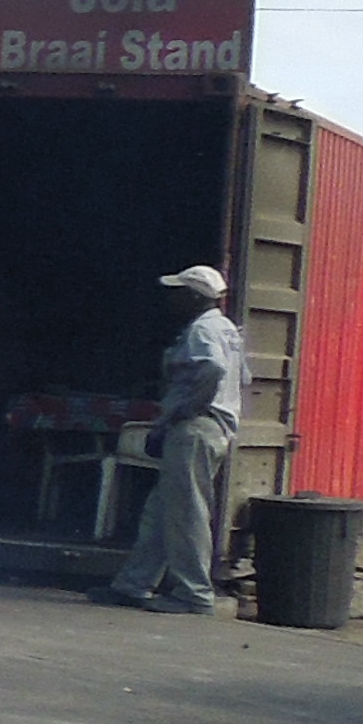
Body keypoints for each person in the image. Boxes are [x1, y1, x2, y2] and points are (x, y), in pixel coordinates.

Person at [94, 263, 244, 615]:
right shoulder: (225, 328)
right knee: (162, 511)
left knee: (186, 513)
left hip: (195, 426)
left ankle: (194, 594)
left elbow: (212, 369)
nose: (171, 299)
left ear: (194, 297)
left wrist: (184, 411)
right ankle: (134, 584)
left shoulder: (202, 330)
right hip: (206, 427)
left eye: (178, 292)